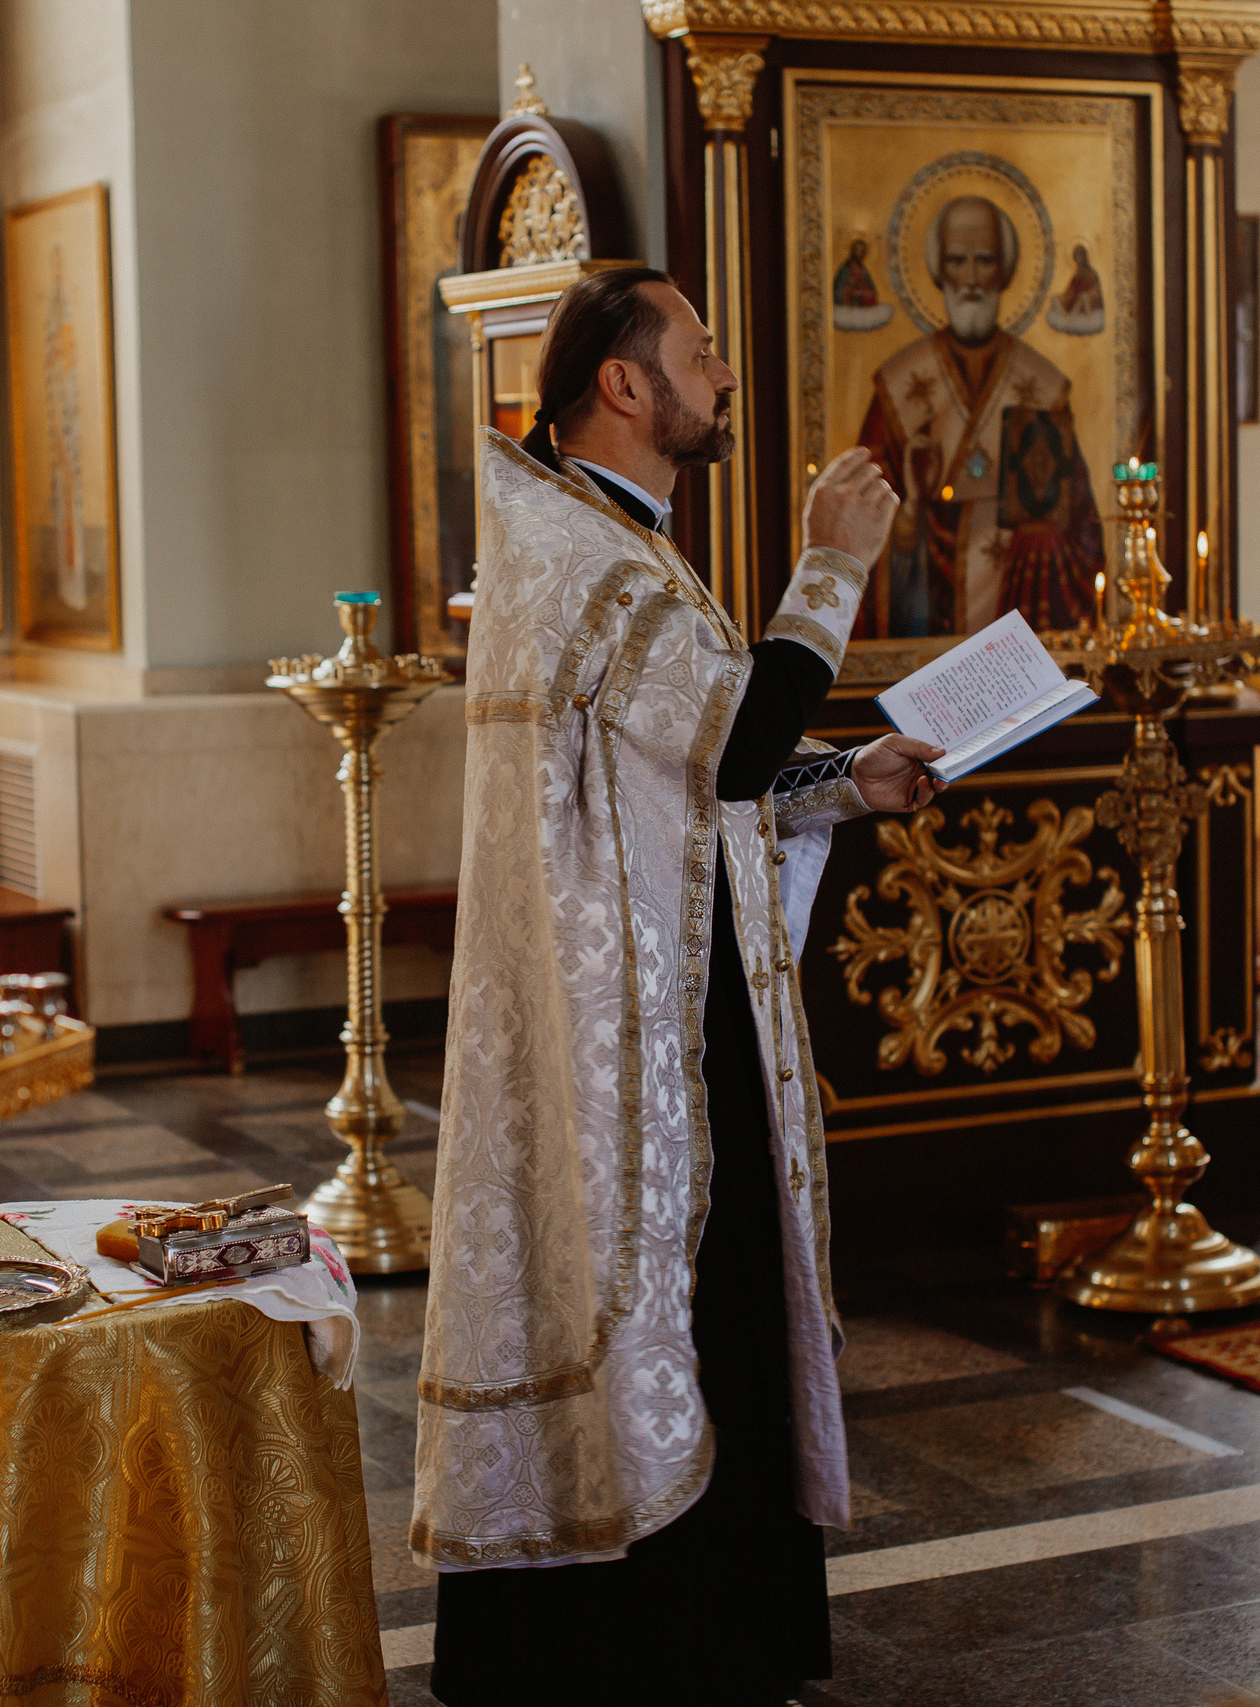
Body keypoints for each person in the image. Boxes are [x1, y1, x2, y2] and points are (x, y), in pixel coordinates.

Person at [415, 266, 944, 1706]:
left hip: (678, 995)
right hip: (629, 1034)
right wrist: (829, 563)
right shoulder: (582, 551)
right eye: (701, 351)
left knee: (716, 1305)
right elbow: (726, 741)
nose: (724, 376)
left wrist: (841, 779)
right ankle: (658, 1654)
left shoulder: (611, 537)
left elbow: (701, 778)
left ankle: (718, 1641)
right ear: (626, 386)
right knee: (670, 1304)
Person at [855, 195, 1105, 636]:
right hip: (927, 622)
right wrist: (912, 512)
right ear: (938, 270)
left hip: (1021, 618)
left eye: (985, 261)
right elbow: (860, 530)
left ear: (1005, 270)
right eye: (957, 260)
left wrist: (1044, 536)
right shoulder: (896, 385)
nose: (971, 278)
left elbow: (1083, 532)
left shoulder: (1045, 386)